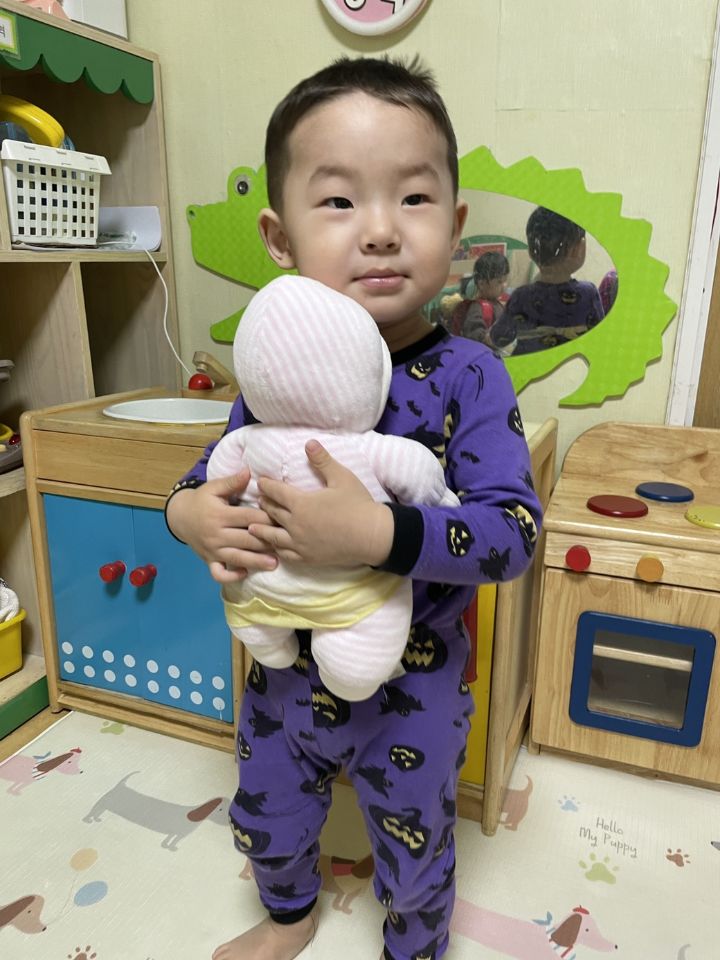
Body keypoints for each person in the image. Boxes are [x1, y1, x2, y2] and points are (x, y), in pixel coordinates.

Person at [165, 55, 542, 960]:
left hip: (415, 685)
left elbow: (513, 534)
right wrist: (192, 518)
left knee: (414, 850)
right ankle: (289, 917)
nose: (379, 231)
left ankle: (415, 946)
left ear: (454, 226)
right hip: (282, 674)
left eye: (412, 198)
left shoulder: (469, 376)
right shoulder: (272, 382)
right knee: (266, 814)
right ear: (280, 237)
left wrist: (380, 534)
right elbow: (203, 477)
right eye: (338, 201)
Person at [490, 207, 604, 356]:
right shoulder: (588, 293)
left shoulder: (520, 296)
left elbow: (498, 338)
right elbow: (600, 338)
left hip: (529, 366)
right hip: (570, 365)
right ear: (578, 250)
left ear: (531, 252)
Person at [446, 250, 510, 342]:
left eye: (505, 280)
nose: (504, 285)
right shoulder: (478, 308)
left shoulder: (497, 303)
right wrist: (488, 339)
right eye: (499, 282)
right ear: (482, 284)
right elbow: (473, 333)